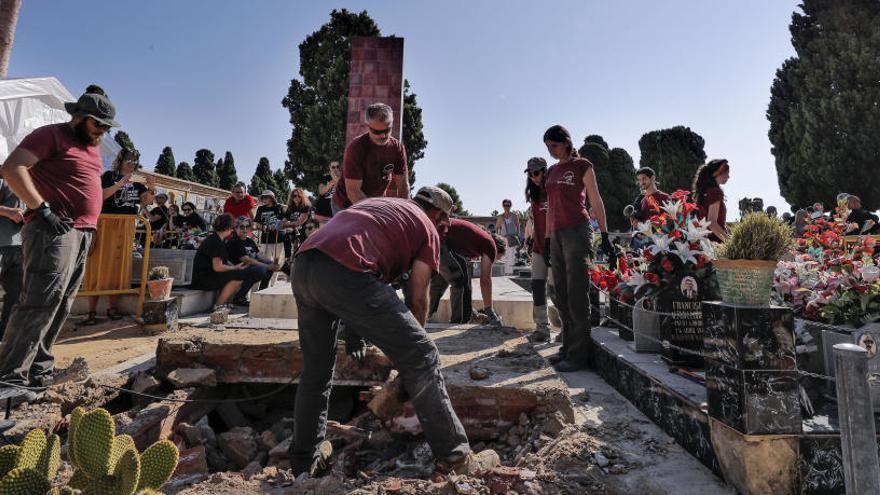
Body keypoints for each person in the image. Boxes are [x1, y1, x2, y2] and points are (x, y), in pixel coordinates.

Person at [290, 186, 489, 477]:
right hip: (347, 270)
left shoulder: (381, 205)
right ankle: (456, 457)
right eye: (444, 224)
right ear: (437, 215)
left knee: (317, 370)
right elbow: (419, 297)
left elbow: (356, 267)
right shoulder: (427, 227)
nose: (443, 230)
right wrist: (411, 357)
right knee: (423, 354)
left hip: (305, 263)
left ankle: (304, 462)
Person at [0, 89, 119, 398]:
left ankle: (39, 370)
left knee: (62, 303)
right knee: (40, 301)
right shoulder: (51, 135)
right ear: (78, 118)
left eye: (107, 127)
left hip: (81, 232)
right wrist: (42, 209)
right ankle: (9, 378)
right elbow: (12, 168)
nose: (103, 132)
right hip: (52, 230)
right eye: (98, 125)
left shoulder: (91, 148)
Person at [542, 124, 613, 373]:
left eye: (554, 145)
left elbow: (595, 198)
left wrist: (604, 234)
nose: (551, 151)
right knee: (559, 292)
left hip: (578, 230)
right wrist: (548, 237)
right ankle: (566, 347)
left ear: (566, 143)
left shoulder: (582, 165)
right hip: (558, 234)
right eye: (547, 147)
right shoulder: (551, 172)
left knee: (576, 293)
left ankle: (578, 355)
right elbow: (550, 206)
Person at [83, 148, 152, 325]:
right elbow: (100, 196)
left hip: (126, 226)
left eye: (135, 161)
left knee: (118, 266)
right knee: (98, 265)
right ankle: (91, 310)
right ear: (121, 160)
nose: (132, 163)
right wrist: (120, 184)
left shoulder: (137, 182)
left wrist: (151, 187)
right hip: (105, 224)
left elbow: (147, 202)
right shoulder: (109, 176)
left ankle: (112, 308)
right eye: (129, 160)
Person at [331, 103, 409, 213]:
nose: (382, 136)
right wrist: (377, 214)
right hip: (345, 205)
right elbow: (353, 191)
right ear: (368, 126)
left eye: (387, 130)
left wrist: (406, 213)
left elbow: (403, 186)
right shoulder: (355, 148)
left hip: (375, 201)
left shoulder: (397, 148)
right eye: (377, 132)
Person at [429, 219, 506, 326]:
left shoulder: (475, 241)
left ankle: (421, 316)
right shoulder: (490, 246)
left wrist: (470, 311)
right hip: (440, 239)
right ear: (498, 250)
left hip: (432, 235)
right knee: (461, 280)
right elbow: (485, 280)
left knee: (439, 284)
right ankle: (459, 323)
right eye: (497, 258)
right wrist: (489, 311)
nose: (494, 261)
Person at [191, 213, 264, 309]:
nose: (233, 229)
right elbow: (217, 267)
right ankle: (218, 306)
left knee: (238, 273)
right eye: (233, 227)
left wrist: (235, 268)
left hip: (207, 275)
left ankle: (225, 303)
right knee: (238, 275)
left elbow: (223, 262)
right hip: (203, 279)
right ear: (228, 228)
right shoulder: (215, 242)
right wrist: (234, 268)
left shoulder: (217, 239)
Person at [523, 157, 555, 342]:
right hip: (538, 247)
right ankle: (542, 328)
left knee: (556, 289)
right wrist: (530, 240)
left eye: (536, 173)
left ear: (545, 171)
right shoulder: (534, 196)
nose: (534, 177)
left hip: (555, 247)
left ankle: (565, 327)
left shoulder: (554, 191)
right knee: (537, 287)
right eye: (530, 174)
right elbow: (537, 222)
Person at [226, 217, 279, 297]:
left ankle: (261, 294)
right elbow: (247, 260)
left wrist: (271, 264)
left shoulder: (249, 241)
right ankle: (239, 297)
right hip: (237, 268)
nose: (245, 229)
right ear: (235, 228)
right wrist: (268, 266)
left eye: (247, 227)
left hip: (249, 267)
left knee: (269, 265)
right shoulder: (234, 241)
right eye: (242, 227)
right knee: (261, 269)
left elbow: (259, 255)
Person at [0, 178, 23, 340]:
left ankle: (4, 335)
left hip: (20, 247)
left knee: (16, 294)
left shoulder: (32, 182)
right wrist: (8, 211)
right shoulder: (3, 181)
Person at [692, 159, 730, 242]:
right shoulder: (715, 192)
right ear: (718, 173)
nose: (728, 177)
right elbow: (712, 223)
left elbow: (718, 222)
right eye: (727, 173)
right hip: (716, 243)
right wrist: (730, 243)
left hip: (705, 242)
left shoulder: (705, 191)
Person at [281, 188, 314, 261]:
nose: (296, 198)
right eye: (294, 196)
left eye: (299, 196)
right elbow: (284, 221)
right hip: (294, 232)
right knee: (285, 235)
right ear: (291, 197)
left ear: (302, 197)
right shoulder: (290, 208)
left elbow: (300, 222)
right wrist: (280, 224)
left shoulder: (306, 206)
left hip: (305, 233)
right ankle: (288, 259)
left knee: (303, 255)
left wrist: (286, 224)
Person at [255, 190, 284, 262]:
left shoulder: (279, 207)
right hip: (265, 237)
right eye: (263, 197)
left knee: (277, 260)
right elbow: (257, 222)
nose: (264, 199)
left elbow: (284, 220)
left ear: (271, 198)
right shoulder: (260, 209)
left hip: (278, 236)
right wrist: (262, 227)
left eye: (266, 197)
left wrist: (276, 225)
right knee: (265, 260)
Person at [495, 199, 520, 275]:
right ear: (503, 206)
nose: (507, 207)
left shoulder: (514, 216)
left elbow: (518, 225)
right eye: (505, 205)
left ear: (510, 206)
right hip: (504, 238)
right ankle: (505, 272)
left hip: (512, 238)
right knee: (504, 255)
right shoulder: (500, 217)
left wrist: (517, 234)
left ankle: (510, 272)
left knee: (511, 256)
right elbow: (497, 227)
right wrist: (498, 236)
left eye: (508, 205)